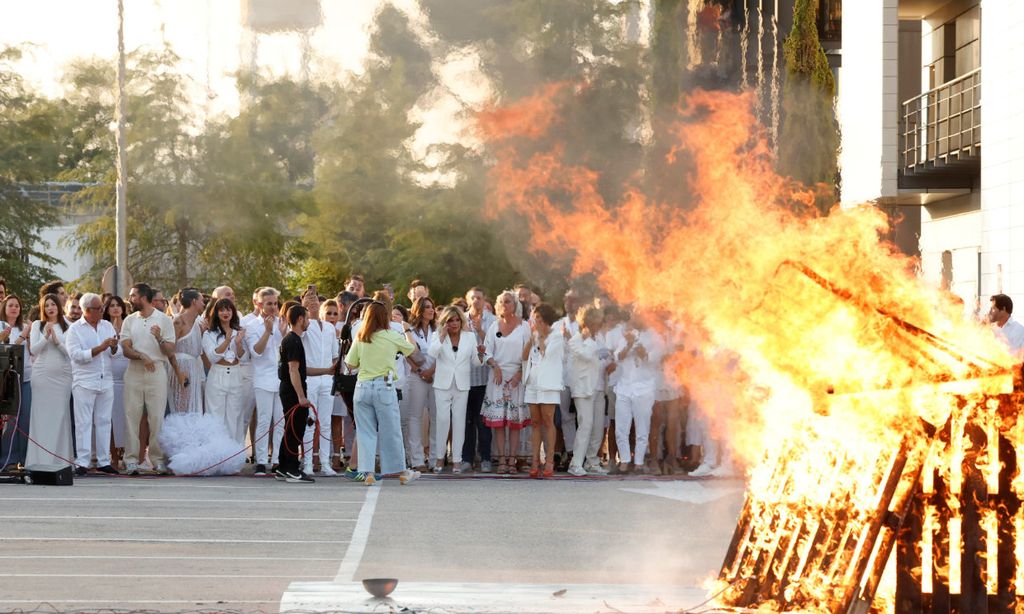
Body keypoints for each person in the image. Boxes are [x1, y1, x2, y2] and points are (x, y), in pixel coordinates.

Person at [345, 300, 420, 485]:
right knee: (391, 430)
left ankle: (368, 472)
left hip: (362, 386)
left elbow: (350, 364)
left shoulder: (361, 336)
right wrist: (408, 331)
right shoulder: (391, 335)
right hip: (384, 387)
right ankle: (401, 471)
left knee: (365, 432)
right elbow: (413, 351)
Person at [120, 283, 177, 475]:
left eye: (133, 296)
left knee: (156, 417)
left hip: (157, 371)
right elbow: (126, 348)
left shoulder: (163, 319)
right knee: (131, 416)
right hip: (135, 370)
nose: (130, 299)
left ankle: (157, 460)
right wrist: (141, 356)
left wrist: (159, 338)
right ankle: (131, 460)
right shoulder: (129, 320)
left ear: (143, 297)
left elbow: (170, 351)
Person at [65, 293, 119, 476]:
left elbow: (115, 354)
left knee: (104, 421)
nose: (103, 311)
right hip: (84, 381)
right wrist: (100, 348)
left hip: (106, 380)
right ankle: (82, 461)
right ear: (87, 310)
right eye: (99, 308)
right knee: (84, 423)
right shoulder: (74, 329)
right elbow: (76, 356)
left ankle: (104, 461)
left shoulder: (107, 325)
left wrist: (113, 347)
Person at [480, 291, 531, 474]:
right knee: (499, 423)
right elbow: (486, 352)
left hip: (517, 378)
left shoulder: (524, 326)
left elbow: (529, 354)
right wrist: (495, 366)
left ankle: (512, 460)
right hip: (497, 378)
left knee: (514, 422)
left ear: (515, 304)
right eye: (501, 302)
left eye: (507, 302)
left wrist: (519, 373)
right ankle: (501, 459)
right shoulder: (494, 326)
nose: (504, 305)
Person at [611, 311, 664, 474]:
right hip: (624, 386)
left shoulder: (656, 337)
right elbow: (617, 357)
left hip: (644, 387)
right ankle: (625, 461)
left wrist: (642, 351)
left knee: (642, 427)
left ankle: (639, 462)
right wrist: (628, 345)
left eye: (637, 315)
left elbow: (653, 359)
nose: (633, 318)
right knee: (621, 427)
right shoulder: (627, 334)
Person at [427, 306, 478, 474]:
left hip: (462, 384)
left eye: (457, 320)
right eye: (450, 320)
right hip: (442, 384)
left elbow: (477, 362)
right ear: (445, 322)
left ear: (462, 321)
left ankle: (457, 460)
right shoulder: (437, 336)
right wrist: (442, 337)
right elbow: (432, 353)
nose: (455, 323)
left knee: (459, 421)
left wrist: (483, 355)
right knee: (442, 420)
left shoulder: (470, 337)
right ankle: (440, 459)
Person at [24, 294, 73, 468]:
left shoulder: (69, 326)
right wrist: (46, 336)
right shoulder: (38, 325)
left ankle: (61, 462)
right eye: (47, 305)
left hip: (62, 376)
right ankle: (39, 461)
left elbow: (70, 353)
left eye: (53, 304)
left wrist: (57, 341)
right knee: (41, 417)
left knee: (60, 416)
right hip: (42, 375)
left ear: (59, 307)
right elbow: (34, 351)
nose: (50, 308)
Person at [299, 287, 340, 476]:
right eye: (309, 299)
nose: (314, 301)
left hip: (327, 380)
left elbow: (334, 355)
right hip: (311, 379)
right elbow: (296, 335)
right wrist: (303, 311)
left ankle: (325, 462)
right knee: (310, 422)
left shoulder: (330, 327)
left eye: (316, 298)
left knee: (325, 423)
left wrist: (334, 372)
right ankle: (307, 462)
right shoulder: (304, 326)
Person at [246, 287, 285, 475]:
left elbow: (286, 349)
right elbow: (256, 351)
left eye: (275, 303)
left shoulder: (282, 323)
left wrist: (283, 333)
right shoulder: (252, 325)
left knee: (280, 420)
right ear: (260, 304)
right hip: (262, 378)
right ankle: (261, 460)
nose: (273, 307)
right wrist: (268, 331)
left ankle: (277, 459)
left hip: (280, 378)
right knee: (263, 420)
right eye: (269, 303)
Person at [523, 303, 564, 478]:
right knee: (535, 423)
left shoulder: (557, 337)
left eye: (538, 318)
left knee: (548, 421)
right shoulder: (534, 335)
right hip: (533, 382)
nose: (535, 321)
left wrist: (539, 338)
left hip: (549, 384)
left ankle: (549, 461)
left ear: (546, 319)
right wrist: (531, 340)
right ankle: (534, 461)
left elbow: (545, 353)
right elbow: (524, 357)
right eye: (534, 318)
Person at [566, 305, 607, 476]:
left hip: (598, 388)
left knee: (598, 427)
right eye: (595, 323)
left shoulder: (599, 339)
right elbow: (588, 355)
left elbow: (602, 359)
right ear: (587, 323)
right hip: (583, 390)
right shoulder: (575, 340)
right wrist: (590, 340)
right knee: (586, 425)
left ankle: (592, 461)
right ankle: (575, 463)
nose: (598, 326)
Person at [276, 304, 315, 483]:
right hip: (292, 391)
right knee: (295, 429)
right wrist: (301, 396)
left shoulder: (292, 339)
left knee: (290, 429)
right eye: (307, 318)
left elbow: (301, 369)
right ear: (300, 319)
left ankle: (283, 466)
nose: (308, 322)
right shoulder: (293, 340)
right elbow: (293, 370)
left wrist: (327, 370)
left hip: (289, 388)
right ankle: (292, 468)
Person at [203, 298, 249, 446]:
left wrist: (237, 343)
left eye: (228, 309)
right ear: (216, 313)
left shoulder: (238, 332)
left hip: (235, 374)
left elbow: (244, 356)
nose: (225, 312)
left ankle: (233, 456)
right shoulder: (209, 334)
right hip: (217, 374)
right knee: (215, 416)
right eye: (222, 309)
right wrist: (227, 341)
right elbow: (212, 356)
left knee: (234, 415)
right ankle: (216, 454)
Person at [400, 296, 437, 470]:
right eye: (427, 307)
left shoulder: (438, 330)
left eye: (432, 307)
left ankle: (436, 458)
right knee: (415, 416)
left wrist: (432, 371)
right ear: (419, 310)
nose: (431, 310)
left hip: (437, 376)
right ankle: (417, 459)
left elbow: (442, 354)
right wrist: (420, 371)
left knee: (437, 417)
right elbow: (407, 353)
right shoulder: (410, 331)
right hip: (417, 376)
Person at [463, 287, 496, 472]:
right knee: (467, 421)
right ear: (468, 300)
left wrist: (481, 331)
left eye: (479, 298)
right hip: (465, 379)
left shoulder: (492, 321)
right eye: (473, 298)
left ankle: (485, 458)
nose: (476, 301)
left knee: (483, 422)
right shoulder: (461, 319)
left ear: (484, 301)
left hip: (484, 379)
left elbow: (494, 345)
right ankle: (466, 458)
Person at [0, 295, 32, 470]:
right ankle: (7, 459)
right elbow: (9, 352)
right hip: (7, 382)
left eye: (17, 306)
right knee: (9, 421)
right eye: (10, 305)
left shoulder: (25, 327)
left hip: (26, 378)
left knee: (25, 419)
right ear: (4, 308)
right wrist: (20, 336)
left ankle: (23, 458)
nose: (14, 308)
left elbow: (32, 351)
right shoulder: (1, 326)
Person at [554, 289, 584, 469]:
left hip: (581, 378)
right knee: (566, 417)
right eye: (567, 300)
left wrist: (569, 338)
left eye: (574, 300)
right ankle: (571, 453)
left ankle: (584, 455)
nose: (570, 303)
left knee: (583, 417)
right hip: (564, 377)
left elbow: (585, 349)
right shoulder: (558, 324)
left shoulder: (585, 325)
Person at [102, 296, 130, 466]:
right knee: (110, 419)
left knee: (126, 418)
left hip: (127, 376)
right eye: (111, 306)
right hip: (109, 377)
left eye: (118, 305)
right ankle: (112, 455)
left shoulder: (129, 324)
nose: (115, 308)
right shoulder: (103, 326)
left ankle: (126, 454)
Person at [169, 288, 205, 414]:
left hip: (194, 368)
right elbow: (170, 350)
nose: (204, 304)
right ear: (194, 302)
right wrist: (179, 373)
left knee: (193, 408)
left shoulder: (198, 324)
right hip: (181, 368)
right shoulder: (179, 321)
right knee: (182, 408)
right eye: (202, 301)